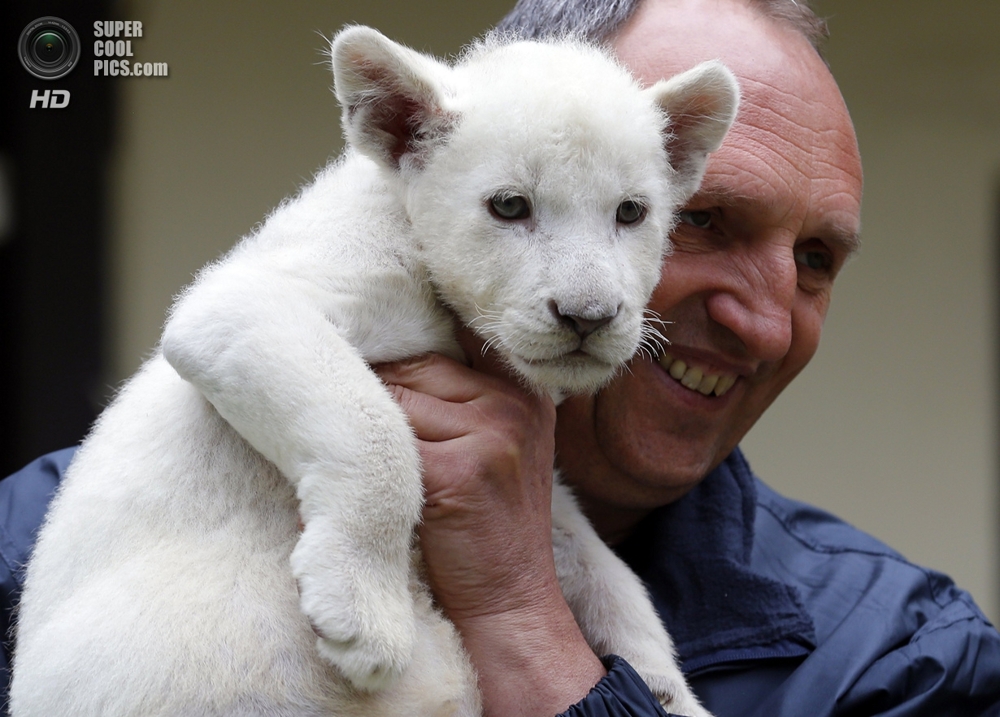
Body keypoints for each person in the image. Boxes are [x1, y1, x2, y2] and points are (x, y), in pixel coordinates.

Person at [2, 1, 998, 716]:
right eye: (708, 222)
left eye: (816, 259)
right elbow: (224, 324)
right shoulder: (26, 534)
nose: (766, 323)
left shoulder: (908, 664)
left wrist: (523, 614)